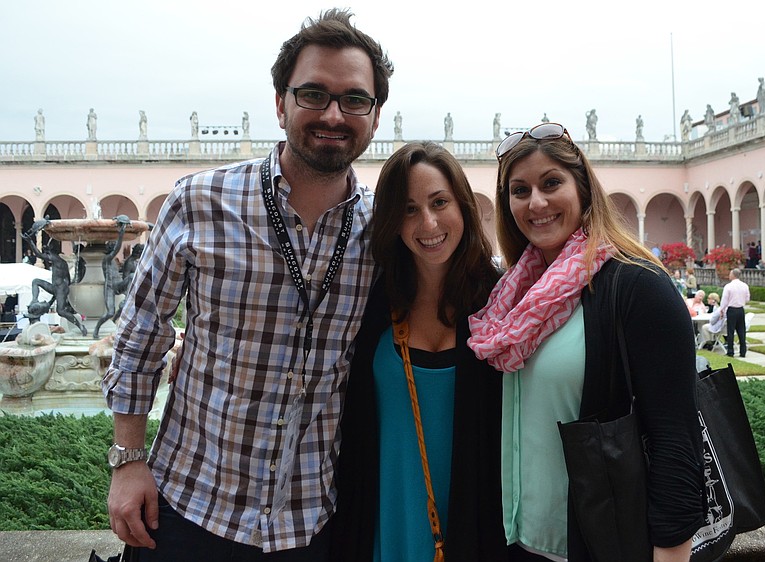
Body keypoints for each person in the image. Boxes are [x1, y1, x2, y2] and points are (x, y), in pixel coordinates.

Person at [102, 9, 393, 560]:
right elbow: (141, 333)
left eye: (355, 99)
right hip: (188, 507)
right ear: (281, 103)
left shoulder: (382, 233)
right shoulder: (199, 202)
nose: (333, 113)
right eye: (313, 93)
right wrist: (128, 460)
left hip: (313, 521)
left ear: (375, 118)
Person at [468, 122, 704, 561]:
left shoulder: (638, 286)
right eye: (519, 191)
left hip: (597, 545)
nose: (536, 202)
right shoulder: (509, 297)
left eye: (551, 183)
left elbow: (675, 439)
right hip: (517, 543)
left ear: (583, 190)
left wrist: (671, 553)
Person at [331, 142, 509, 561]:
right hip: (385, 525)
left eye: (439, 202)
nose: (427, 222)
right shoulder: (373, 303)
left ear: (463, 204)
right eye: (409, 209)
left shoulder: (501, 303)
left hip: (479, 529)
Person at [93, 216, 131, 339]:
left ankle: (128, 299)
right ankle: (97, 329)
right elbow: (117, 248)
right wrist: (121, 234)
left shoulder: (113, 260)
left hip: (118, 284)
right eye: (112, 246)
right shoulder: (107, 258)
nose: (114, 248)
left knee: (131, 276)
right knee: (109, 312)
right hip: (109, 286)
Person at [719, 268, 750, 358]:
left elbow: (724, 300)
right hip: (740, 309)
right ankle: (743, 351)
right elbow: (747, 298)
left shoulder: (728, 286)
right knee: (741, 331)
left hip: (732, 309)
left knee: (731, 331)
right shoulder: (745, 285)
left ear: (733, 275)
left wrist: (722, 309)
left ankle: (730, 351)